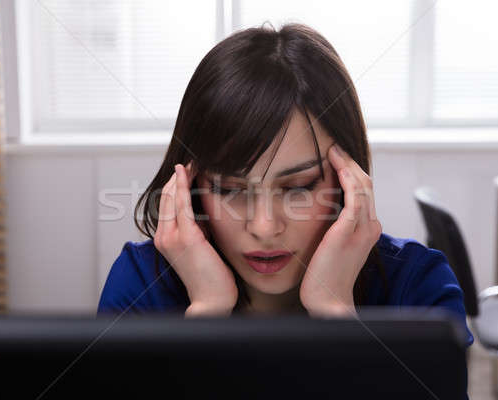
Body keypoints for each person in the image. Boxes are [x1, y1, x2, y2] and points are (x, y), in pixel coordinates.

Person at [97, 22, 473, 393]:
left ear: (347, 183)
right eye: (230, 189)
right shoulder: (141, 286)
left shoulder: (420, 290)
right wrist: (205, 315)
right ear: (192, 189)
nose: (264, 226)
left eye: (298, 187)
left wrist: (338, 316)